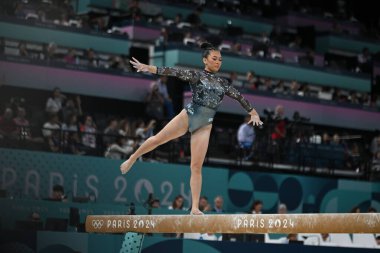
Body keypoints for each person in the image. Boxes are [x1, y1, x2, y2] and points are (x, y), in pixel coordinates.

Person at [121, 43, 263, 215]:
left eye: (220, 60)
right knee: (158, 139)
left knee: (196, 167)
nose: (218, 62)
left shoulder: (223, 84)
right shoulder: (197, 75)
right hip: (188, 116)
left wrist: (253, 113)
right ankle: (133, 157)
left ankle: (194, 207)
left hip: (204, 125)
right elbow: (172, 71)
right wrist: (148, 68)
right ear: (205, 60)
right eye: (214, 58)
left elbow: (239, 97)